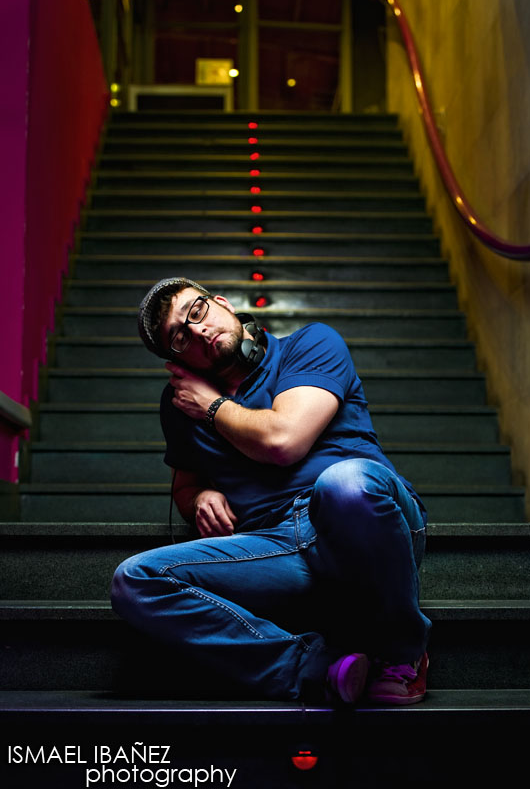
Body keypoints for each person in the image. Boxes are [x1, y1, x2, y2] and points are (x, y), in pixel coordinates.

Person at [111, 276, 431, 705]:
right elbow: (186, 485)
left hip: (362, 523)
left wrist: (212, 407)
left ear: (221, 303)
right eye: (180, 337)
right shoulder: (180, 406)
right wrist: (199, 498)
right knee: (135, 579)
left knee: (343, 484)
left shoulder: (311, 344)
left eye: (197, 311)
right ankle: (317, 669)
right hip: (277, 546)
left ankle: (403, 651)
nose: (198, 330)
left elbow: (283, 442)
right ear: (177, 361)